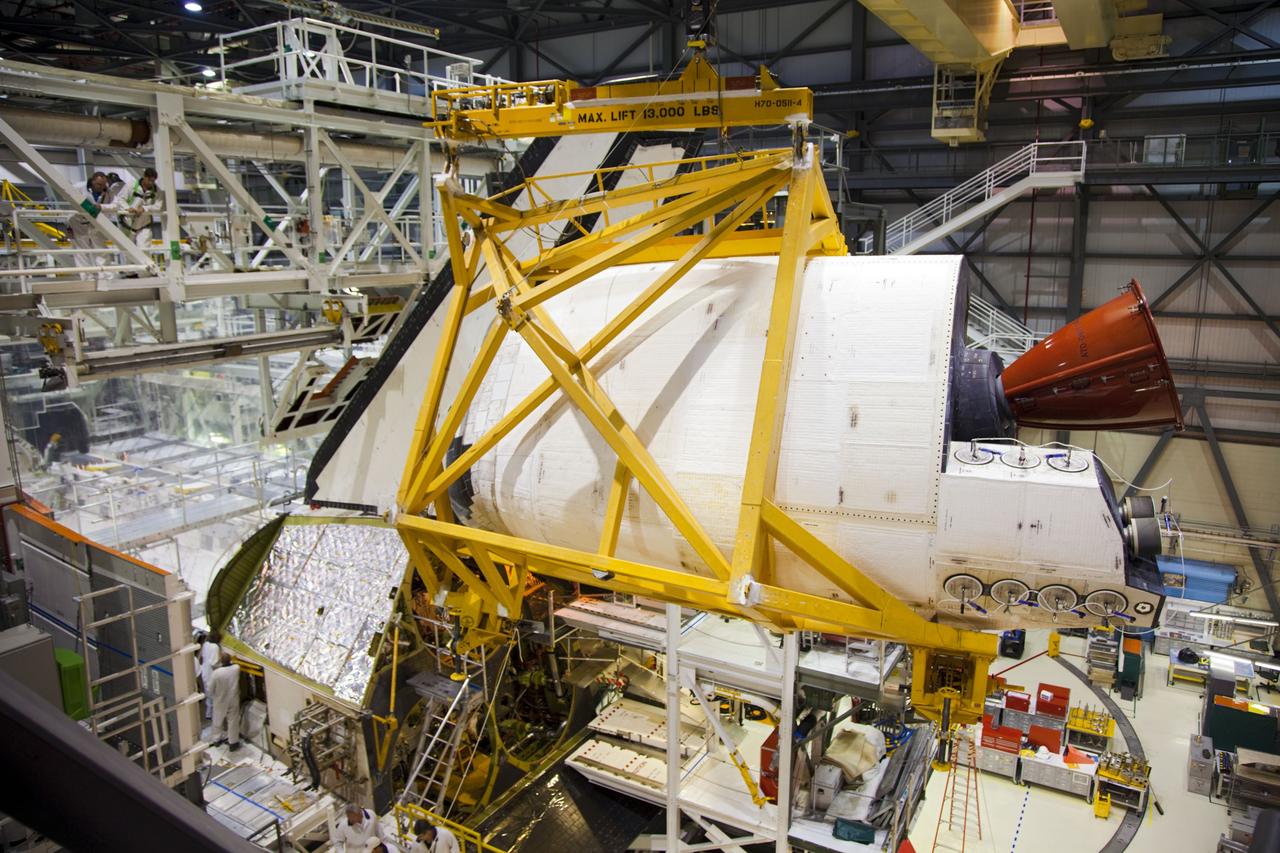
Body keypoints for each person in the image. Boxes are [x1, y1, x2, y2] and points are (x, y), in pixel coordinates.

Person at [67, 171, 123, 274]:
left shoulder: (108, 192)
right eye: (98, 184)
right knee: (81, 252)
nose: (101, 187)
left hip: (97, 223)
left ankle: (106, 277)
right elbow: (68, 197)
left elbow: (116, 205)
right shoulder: (79, 187)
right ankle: (86, 279)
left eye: (103, 184)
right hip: (78, 223)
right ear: (92, 181)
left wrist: (102, 207)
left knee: (102, 250)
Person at [118, 167, 162, 253]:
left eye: (153, 181)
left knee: (144, 251)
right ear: (144, 176)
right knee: (128, 252)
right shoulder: (131, 185)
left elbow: (158, 206)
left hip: (144, 225)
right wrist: (127, 208)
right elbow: (120, 199)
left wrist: (145, 208)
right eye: (149, 180)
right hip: (127, 224)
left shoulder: (156, 190)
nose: (151, 183)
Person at [208, 651, 241, 751]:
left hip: (220, 700)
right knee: (233, 721)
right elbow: (236, 664)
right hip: (233, 698)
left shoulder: (216, 673)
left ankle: (216, 739)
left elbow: (210, 688)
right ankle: (233, 742)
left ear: (220, 661)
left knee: (218, 720)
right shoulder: (236, 669)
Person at [200, 630, 222, 719]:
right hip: (211, 673)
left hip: (204, 671)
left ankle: (208, 714)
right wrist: (224, 665)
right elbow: (214, 663)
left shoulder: (205, 645)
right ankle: (214, 714)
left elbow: (202, 657)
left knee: (208, 693)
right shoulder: (215, 647)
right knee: (214, 695)